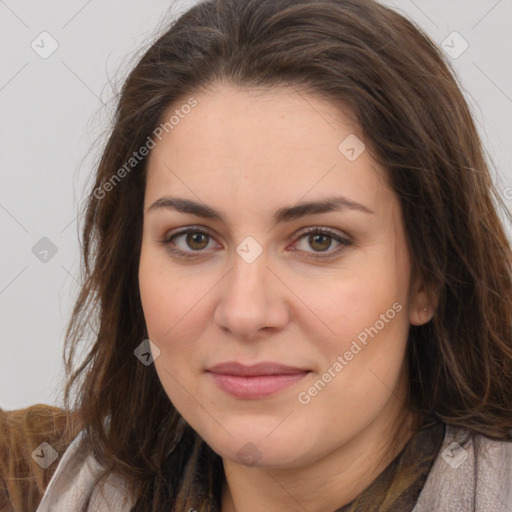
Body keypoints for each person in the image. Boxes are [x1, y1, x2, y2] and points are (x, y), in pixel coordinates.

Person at [33, 0, 512, 510]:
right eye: (194, 239)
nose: (245, 312)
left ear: (427, 277)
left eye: (319, 240)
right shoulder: (28, 476)